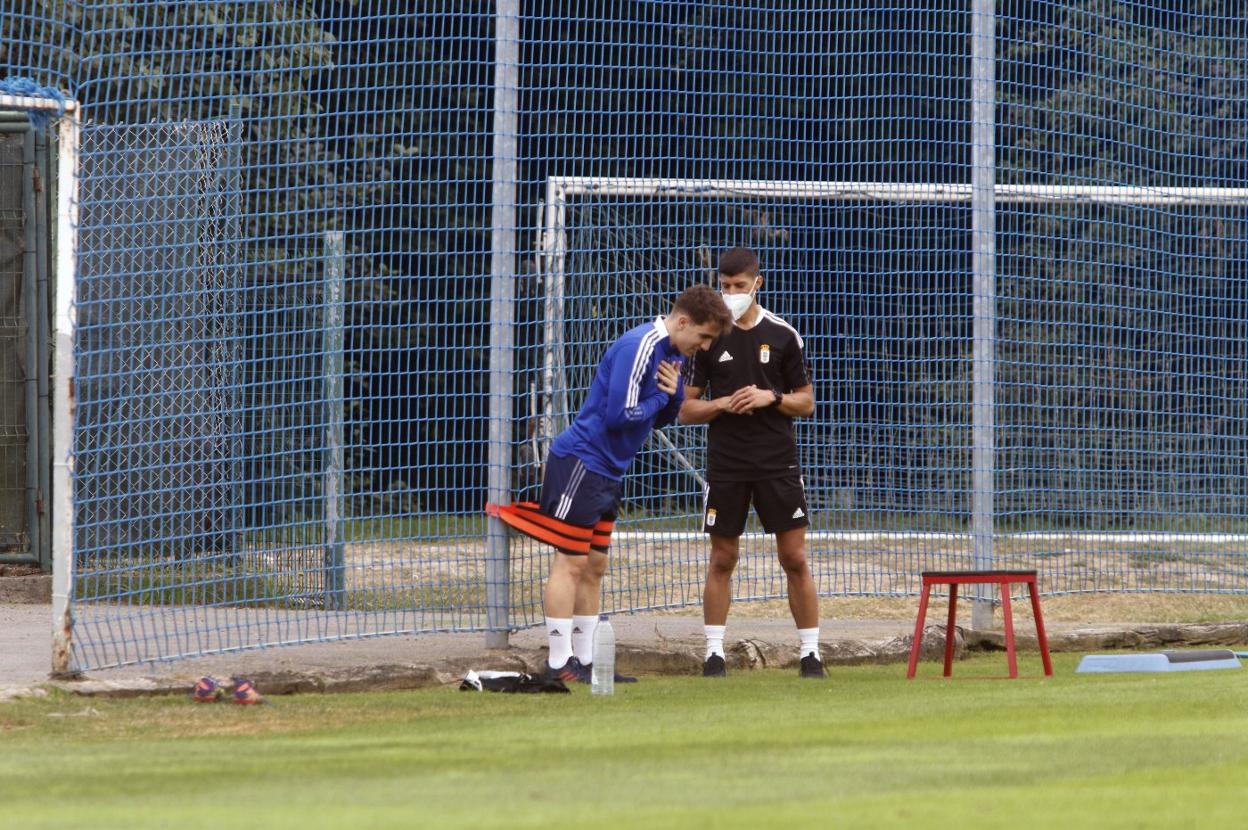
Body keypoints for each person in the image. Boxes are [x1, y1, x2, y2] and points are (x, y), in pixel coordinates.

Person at [489, 284, 732, 683]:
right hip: (581, 463)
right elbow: (622, 415)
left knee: (595, 564)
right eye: (703, 337)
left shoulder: (673, 351)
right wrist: (662, 399)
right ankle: (557, 663)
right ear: (683, 322)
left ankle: (585, 663)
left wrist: (670, 399)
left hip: (609, 471)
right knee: (570, 562)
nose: (704, 347)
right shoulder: (640, 346)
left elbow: (662, 417)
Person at [678, 247, 824, 679]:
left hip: (777, 463)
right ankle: (713, 654)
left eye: (738, 287)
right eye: (724, 287)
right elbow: (686, 410)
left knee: (794, 557)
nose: (731, 295)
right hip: (727, 464)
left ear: (757, 283)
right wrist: (721, 404)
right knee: (722, 557)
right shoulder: (708, 337)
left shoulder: (783, 335)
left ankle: (811, 654)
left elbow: (806, 402)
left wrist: (771, 397)